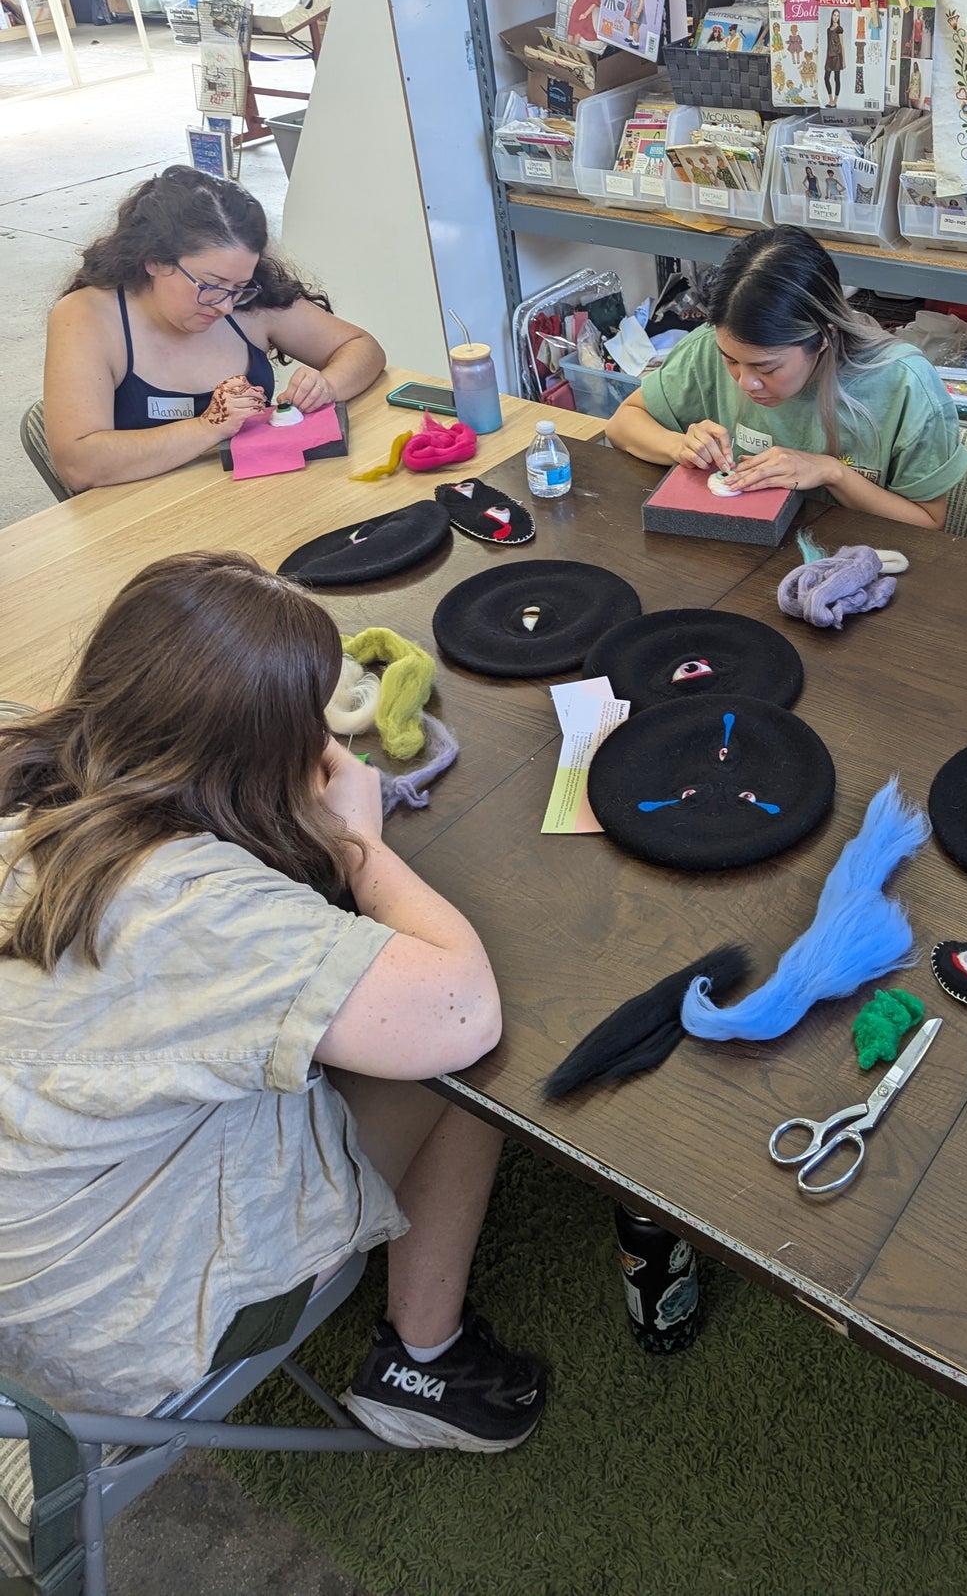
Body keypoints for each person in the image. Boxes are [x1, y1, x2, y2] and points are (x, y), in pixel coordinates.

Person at [0, 553, 545, 1452]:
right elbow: (460, 1008)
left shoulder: (34, 777)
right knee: (471, 1059)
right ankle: (425, 1361)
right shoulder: (192, 905)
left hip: (32, 1268)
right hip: (106, 1328)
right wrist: (359, 844)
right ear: (266, 759)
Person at [606, 227, 967, 529]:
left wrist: (832, 473)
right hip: (738, 551)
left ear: (824, 338)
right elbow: (623, 423)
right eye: (730, 361)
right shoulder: (710, 346)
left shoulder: (902, 384)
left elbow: (927, 522)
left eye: (767, 368)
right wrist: (678, 446)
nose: (744, 383)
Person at [43, 167, 384, 491]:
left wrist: (326, 386)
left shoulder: (248, 301)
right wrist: (208, 427)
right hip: (144, 515)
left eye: (240, 286)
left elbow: (362, 347)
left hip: (254, 494)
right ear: (154, 260)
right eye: (211, 285)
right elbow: (79, 465)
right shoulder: (87, 316)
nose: (225, 306)